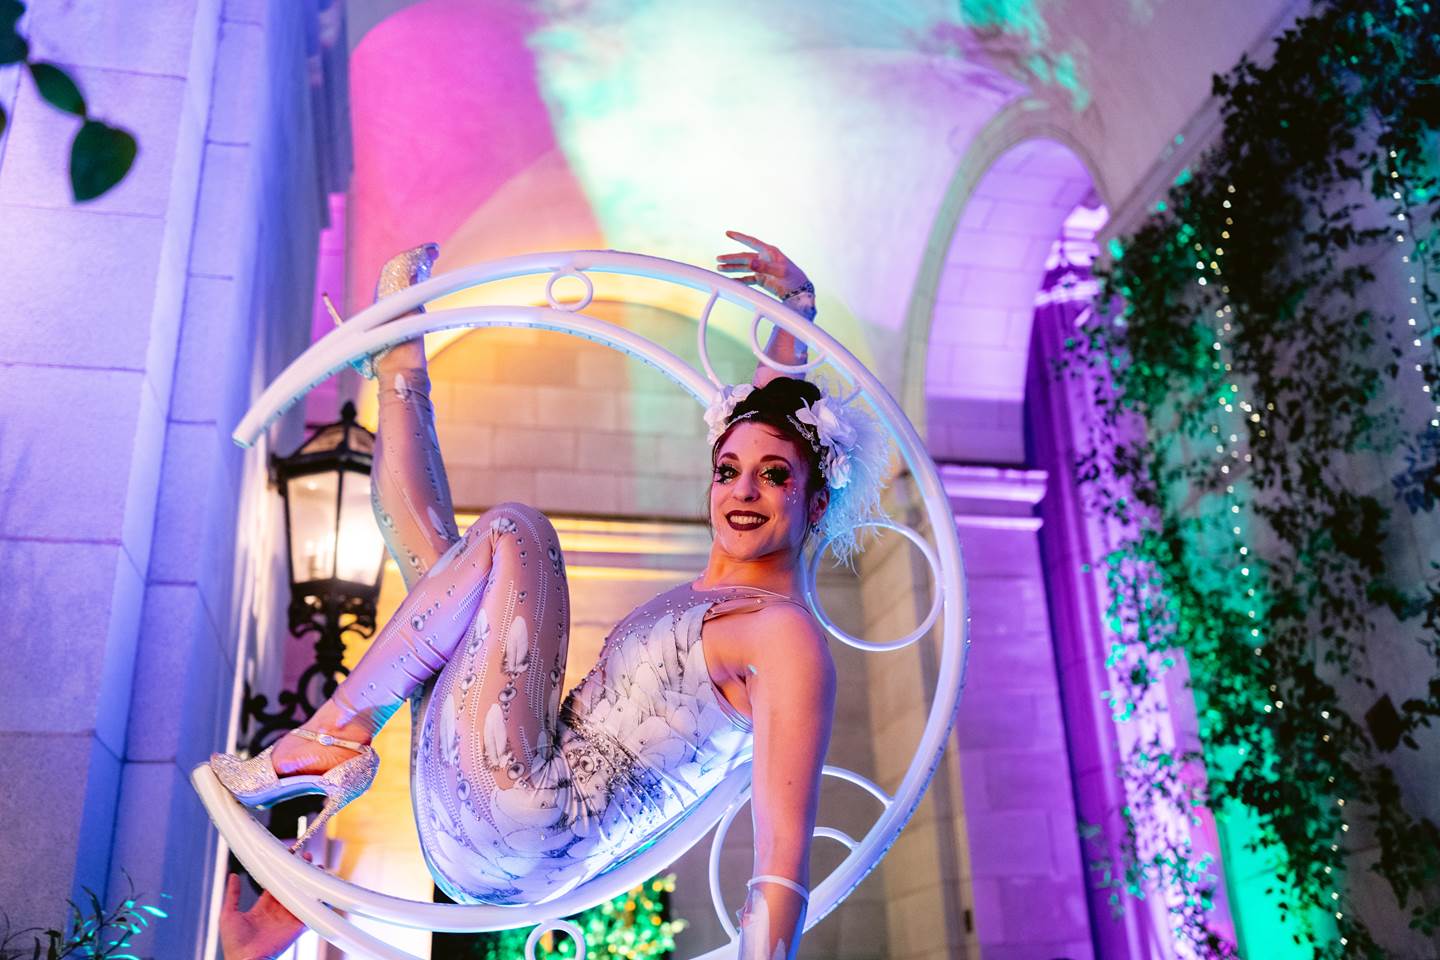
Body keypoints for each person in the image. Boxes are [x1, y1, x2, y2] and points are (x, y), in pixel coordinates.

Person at [211, 232, 889, 960]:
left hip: (531, 818)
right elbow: (765, 422)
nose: (743, 490)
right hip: (495, 833)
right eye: (728, 470)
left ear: (817, 502)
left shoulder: (782, 635)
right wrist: (793, 313)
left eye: (776, 478)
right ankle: (397, 360)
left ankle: (327, 739)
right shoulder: (722, 597)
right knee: (443, 582)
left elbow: (781, 856)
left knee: (517, 534)